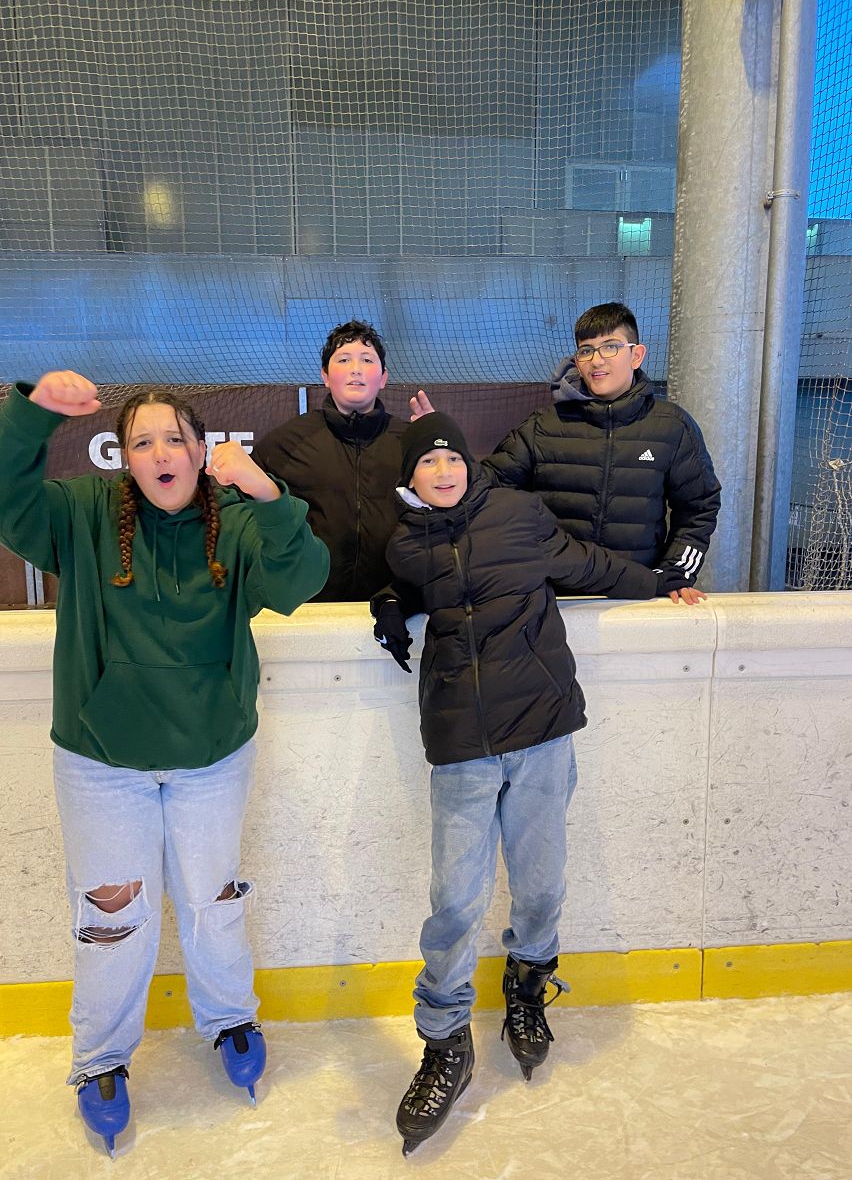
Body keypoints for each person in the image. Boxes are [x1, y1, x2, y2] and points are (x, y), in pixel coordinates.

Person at [0, 372, 329, 1156]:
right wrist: (31, 414)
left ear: (200, 451)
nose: (160, 453)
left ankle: (230, 1017)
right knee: (112, 917)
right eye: (142, 442)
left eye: (174, 439)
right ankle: (101, 1058)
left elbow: (300, 580)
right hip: (103, 760)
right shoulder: (81, 514)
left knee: (211, 899)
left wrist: (270, 496)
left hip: (211, 757)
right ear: (123, 459)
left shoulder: (236, 521)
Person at [375, 413, 703, 1157]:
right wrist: (388, 602)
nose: (444, 471)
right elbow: (413, 579)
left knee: (541, 884)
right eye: (427, 463)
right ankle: (445, 1043)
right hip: (461, 743)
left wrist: (662, 583)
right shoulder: (406, 543)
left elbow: (586, 563)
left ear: (469, 465)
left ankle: (526, 986)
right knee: (454, 903)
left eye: (452, 459)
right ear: (410, 479)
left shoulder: (518, 514)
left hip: (541, 729)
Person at [418, 302, 721, 604]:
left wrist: (674, 571)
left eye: (610, 347)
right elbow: (486, 486)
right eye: (586, 350)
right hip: (554, 597)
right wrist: (443, 448)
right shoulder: (543, 427)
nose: (596, 361)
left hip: (635, 594)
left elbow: (699, 506)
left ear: (636, 355)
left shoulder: (672, 426)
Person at [255, 319, 428, 603]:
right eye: (344, 359)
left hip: (393, 606)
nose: (355, 369)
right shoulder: (289, 441)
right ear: (325, 376)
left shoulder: (411, 441)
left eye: (367, 360)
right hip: (311, 606)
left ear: (383, 378)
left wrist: (439, 440)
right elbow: (242, 509)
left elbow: (464, 500)